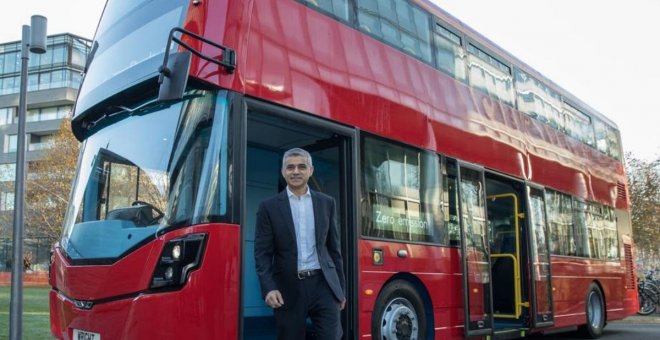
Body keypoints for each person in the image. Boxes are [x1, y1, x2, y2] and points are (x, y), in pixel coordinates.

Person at [254, 148, 346, 340]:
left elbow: (334, 250)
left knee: (333, 336)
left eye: (302, 167)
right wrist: (269, 287)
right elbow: (262, 253)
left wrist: (340, 290)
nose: (296, 171)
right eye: (290, 167)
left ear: (310, 171)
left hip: (324, 285)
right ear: (283, 172)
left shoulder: (327, 203)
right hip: (288, 287)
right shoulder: (268, 207)